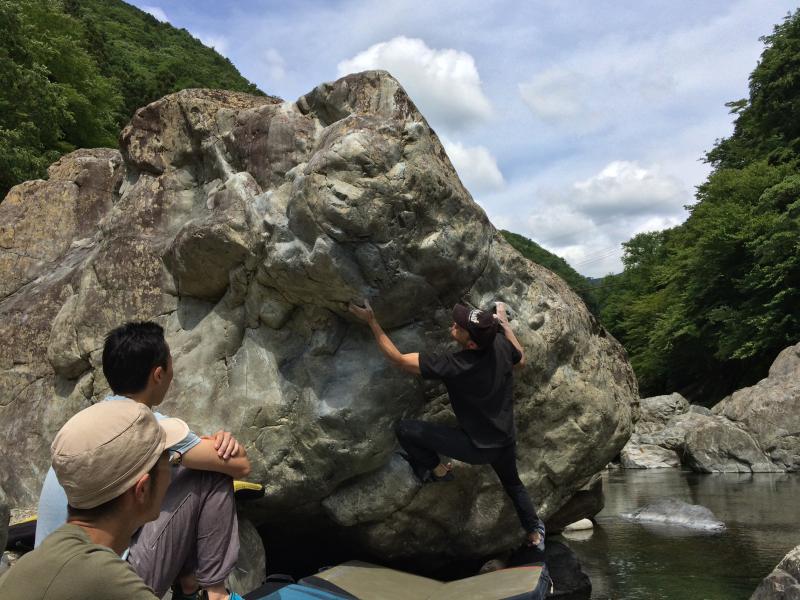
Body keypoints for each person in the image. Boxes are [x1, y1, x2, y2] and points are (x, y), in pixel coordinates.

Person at [35, 321, 251, 600]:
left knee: (177, 472)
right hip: (109, 583)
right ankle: (214, 593)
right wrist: (217, 444)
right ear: (159, 374)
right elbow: (240, 466)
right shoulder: (148, 426)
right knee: (208, 475)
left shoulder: (89, 425)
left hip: (54, 573)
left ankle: (189, 583)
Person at [348, 299, 546, 549]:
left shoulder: (456, 365)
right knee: (513, 484)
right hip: (504, 439)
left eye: (459, 326)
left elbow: (399, 359)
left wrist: (372, 321)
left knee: (405, 429)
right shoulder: (500, 344)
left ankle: (439, 471)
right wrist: (505, 325)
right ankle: (535, 533)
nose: (454, 324)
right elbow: (522, 361)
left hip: (476, 447)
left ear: (471, 344)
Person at [0, 401, 188, 598]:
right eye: (171, 460)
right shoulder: (112, 585)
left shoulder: (29, 565)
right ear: (142, 489)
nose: (172, 473)